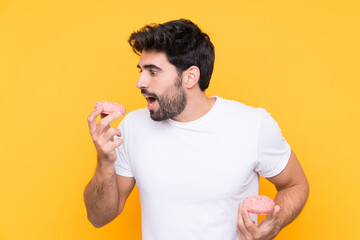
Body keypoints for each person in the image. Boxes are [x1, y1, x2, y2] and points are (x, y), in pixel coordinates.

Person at [84, 19, 309, 240]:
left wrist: (274, 225)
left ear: (190, 77)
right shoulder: (133, 127)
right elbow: (98, 217)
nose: (140, 82)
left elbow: (296, 185)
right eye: (141, 70)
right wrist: (104, 162)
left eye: (153, 72)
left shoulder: (253, 124)